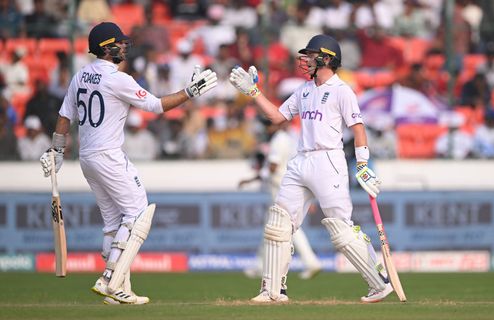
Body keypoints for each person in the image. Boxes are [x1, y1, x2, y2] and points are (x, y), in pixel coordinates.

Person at [38, 22, 217, 305]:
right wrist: (190, 92)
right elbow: (156, 106)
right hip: (109, 156)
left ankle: (121, 289)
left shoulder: (81, 75)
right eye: (119, 43)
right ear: (107, 48)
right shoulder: (118, 79)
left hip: (87, 158)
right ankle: (109, 279)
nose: (124, 46)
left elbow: (64, 116)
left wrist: (57, 151)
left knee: (112, 223)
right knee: (137, 214)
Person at [229, 34, 392, 303]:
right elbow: (278, 117)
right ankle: (272, 291)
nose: (305, 60)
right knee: (279, 222)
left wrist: (362, 165)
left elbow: (358, 128)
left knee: (341, 229)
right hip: (301, 159)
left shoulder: (342, 90)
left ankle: (379, 283)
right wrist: (253, 92)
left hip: (329, 161)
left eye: (311, 55)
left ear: (327, 58)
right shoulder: (303, 90)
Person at [239, 120, 322, 280]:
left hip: (280, 188)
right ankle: (260, 265)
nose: (267, 129)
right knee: (270, 226)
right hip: (285, 186)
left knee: (287, 227)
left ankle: (311, 262)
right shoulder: (288, 137)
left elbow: (273, 167)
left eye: (268, 125)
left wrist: (252, 179)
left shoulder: (278, 140)